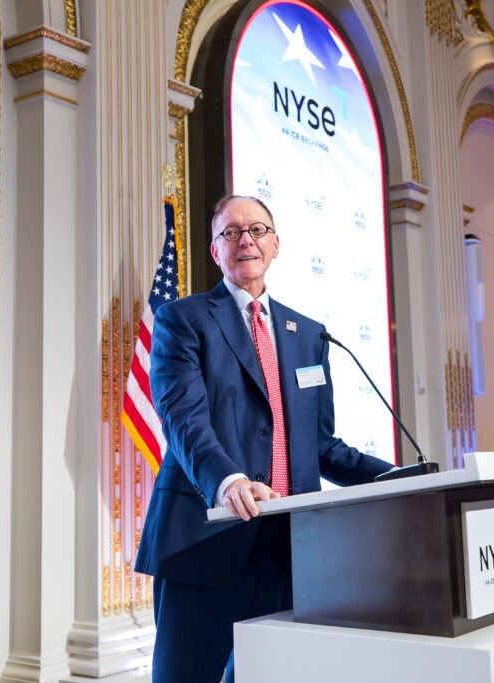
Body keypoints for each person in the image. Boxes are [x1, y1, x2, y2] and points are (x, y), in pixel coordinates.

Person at [135, 195, 393, 682]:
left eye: (256, 229)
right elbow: (184, 419)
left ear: (276, 244)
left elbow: (320, 446)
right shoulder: (183, 320)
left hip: (286, 549)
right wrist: (228, 480)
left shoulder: (310, 335)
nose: (245, 240)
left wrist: (399, 476)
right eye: (230, 232)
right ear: (215, 252)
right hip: (204, 539)